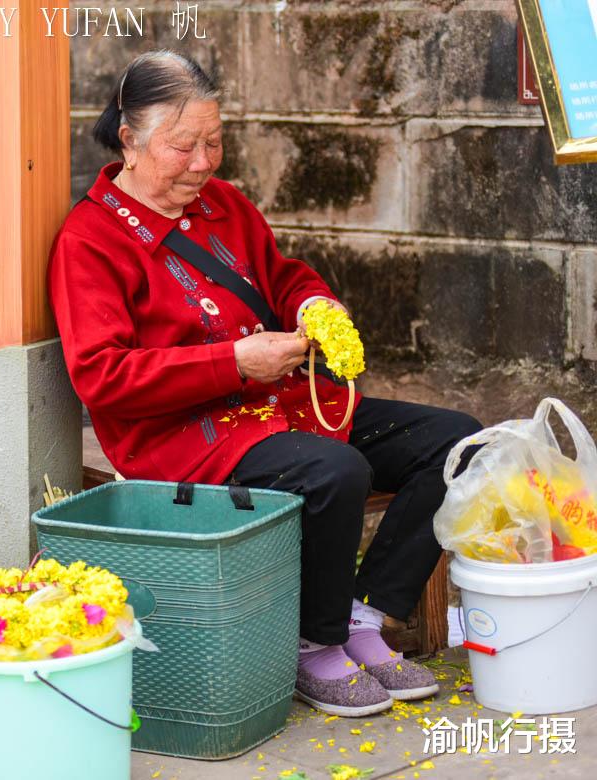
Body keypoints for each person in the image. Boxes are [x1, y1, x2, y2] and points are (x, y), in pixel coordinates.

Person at [48, 51, 482, 718]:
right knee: (336, 471)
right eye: (184, 146)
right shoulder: (90, 240)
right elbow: (104, 378)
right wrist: (234, 363)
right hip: (183, 436)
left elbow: (282, 277)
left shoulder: (224, 204)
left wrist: (313, 307)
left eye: (214, 142)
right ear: (130, 141)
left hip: (279, 403)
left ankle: (364, 617)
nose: (203, 162)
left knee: (459, 446)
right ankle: (315, 644)